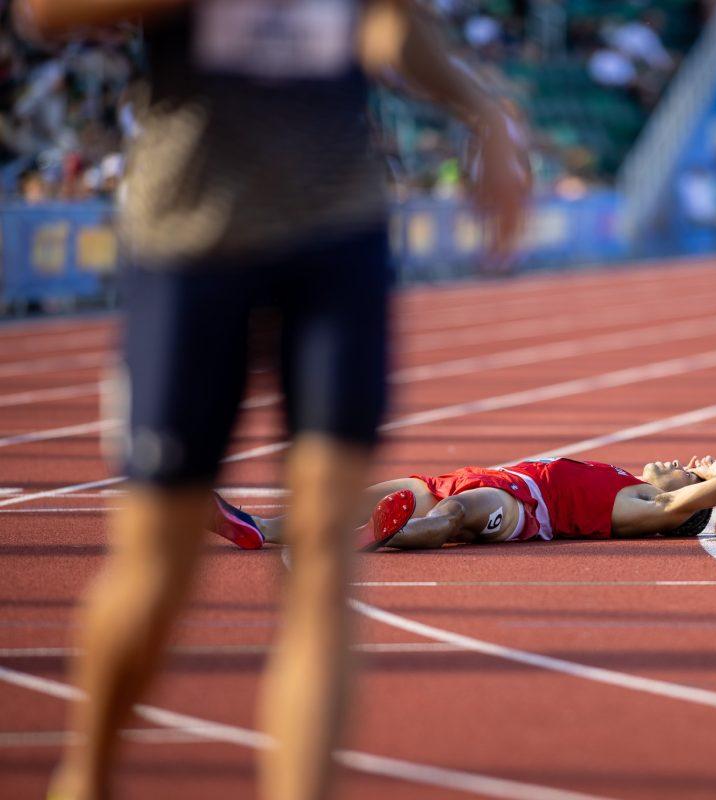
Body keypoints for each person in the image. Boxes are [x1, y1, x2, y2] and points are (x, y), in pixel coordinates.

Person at [17, 1, 530, 799]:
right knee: (159, 569)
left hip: (339, 231)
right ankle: (86, 777)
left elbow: (388, 18)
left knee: (324, 560)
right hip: (193, 234)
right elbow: (46, 14)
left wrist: (481, 113)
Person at [210, 455, 716, 550]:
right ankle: (258, 527)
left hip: (521, 508)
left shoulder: (646, 504)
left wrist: (705, 477)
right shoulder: (625, 477)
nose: (686, 459)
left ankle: (384, 537)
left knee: (451, 520)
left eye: (689, 471)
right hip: (474, 476)